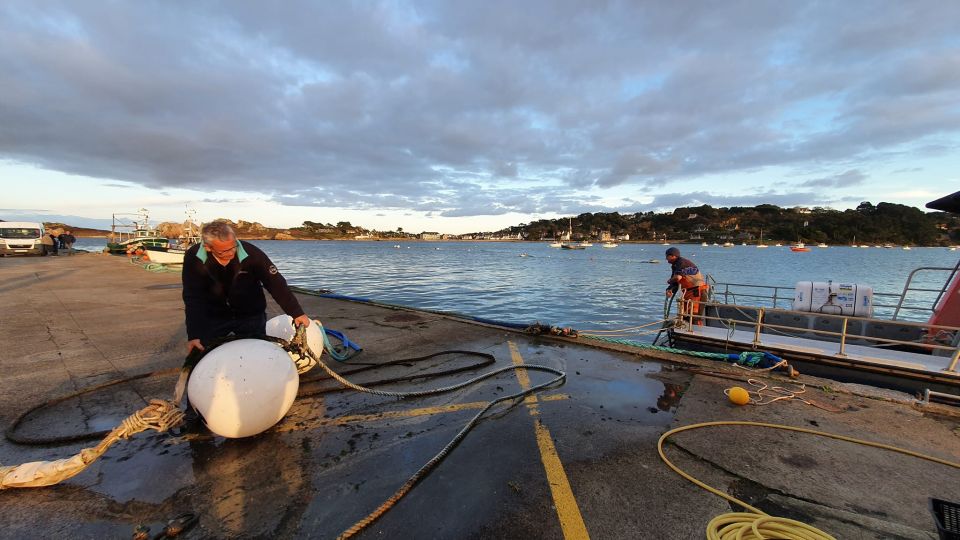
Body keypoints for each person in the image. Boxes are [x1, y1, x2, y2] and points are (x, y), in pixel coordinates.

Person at [182, 221, 311, 354]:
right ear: (208, 247)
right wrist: (194, 334)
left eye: (233, 246)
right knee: (205, 355)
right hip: (214, 316)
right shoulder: (194, 257)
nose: (232, 252)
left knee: (256, 354)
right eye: (224, 251)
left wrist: (296, 312)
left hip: (250, 316)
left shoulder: (252, 254)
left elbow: (275, 283)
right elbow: (193, 296)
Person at [664, 247, 708, 324]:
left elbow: (677, 278)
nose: (666, 258)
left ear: (673, 256)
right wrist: (670, 289)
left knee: (693, 316)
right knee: (685, 315)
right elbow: (675, 282)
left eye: (667, 256)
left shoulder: (682, 263)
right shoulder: (675, 265)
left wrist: (669, 281)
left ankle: (696, 332)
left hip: (696, 292)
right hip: (689, 292)